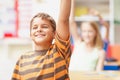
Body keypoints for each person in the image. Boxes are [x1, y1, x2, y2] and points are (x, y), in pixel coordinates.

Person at [12, 0, 72, 80]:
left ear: (54, 34)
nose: (39, 29)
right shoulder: (22, 60)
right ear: (30, 35)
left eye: (44, 26)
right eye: (35, 27)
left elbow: (63, 20)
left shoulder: (59, 51)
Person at [69, 0, 106, 71]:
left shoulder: (100, 52)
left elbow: (99, 74)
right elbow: (71, 22)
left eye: (90, 31)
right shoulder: (78, 43)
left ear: (95, 33)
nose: (87, 35)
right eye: (84, 31)